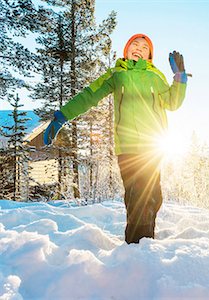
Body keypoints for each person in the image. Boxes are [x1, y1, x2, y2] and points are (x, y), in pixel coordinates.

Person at [43, 33, 188, 243]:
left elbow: (172, 103)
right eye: (134, 44)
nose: (139, 48)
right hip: (128, 147)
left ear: (150, 56)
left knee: (153, 198)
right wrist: (62, 116)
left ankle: (143, 243)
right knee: (138, 196)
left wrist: (179, 78)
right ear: (126, 50)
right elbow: (89, 95)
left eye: (145, 47)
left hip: (153, 146)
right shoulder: (117, 74)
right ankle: (139, 247)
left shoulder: (156, 77)